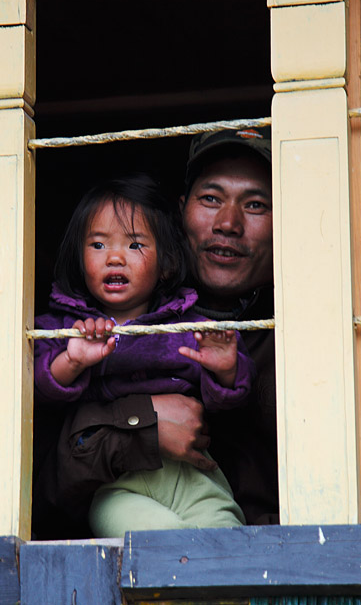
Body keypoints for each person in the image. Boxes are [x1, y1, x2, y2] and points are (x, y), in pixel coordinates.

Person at [33, 129, 277, 538]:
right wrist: (143, 426)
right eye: (211, 199)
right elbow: (43, 486)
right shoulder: (85, 327)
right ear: (181, 213)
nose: (228, 223)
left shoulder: (307, 332)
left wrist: (228, 373)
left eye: (255, 205)